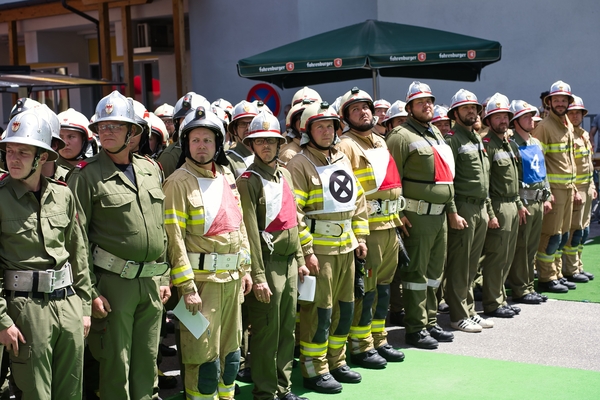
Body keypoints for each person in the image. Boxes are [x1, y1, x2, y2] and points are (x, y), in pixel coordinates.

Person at [68, 90, 170, 400]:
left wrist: (164, 277)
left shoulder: (152, 170)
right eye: (102, 126)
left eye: (115, 125)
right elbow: (76, 242)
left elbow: (160, 228)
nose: (107, 131)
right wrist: (90, 294)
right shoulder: (85, 177)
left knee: (147, 362)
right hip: (112, 286)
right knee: (116, 366)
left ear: (133, 132)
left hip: (151, 283)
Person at [0, 109, 92, 399]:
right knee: (36, 394)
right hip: (26, 311)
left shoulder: (63, 194)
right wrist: (3, 321)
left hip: (68, 305)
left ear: (42, 158)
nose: (12, 158)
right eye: (9, 151)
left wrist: (84, 308)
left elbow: (79, 254)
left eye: (23, 153)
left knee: (71, 392)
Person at [163, 106, 252, 400]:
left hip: (231, 280)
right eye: (196, 140)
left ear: (218, 144)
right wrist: (187, 288)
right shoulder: (178, 181)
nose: (202, 146)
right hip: (201, 287)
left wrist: (246, 269)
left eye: (208, 140)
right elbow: (173, 239)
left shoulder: (225, 175)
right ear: (186, 144)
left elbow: (238, 226)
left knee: (231, 354)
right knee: (202, 357)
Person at [287, 101, 369, 394]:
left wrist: (360, 237)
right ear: (307, 131)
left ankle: (337, 361)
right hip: (319, 253)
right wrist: (306, 252)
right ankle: (314, 369)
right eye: (319, 126)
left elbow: (357, 201)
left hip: (346, 247)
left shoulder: (342, 159)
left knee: (344, 309)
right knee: (318, 312)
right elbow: (294, 213)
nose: (326, 131)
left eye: (330, 126)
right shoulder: (298, 163)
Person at [237, 111, 309, 400]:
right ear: (252, 145)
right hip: (267, 265)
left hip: (290, 261)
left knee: (287, 331)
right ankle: (266, 392)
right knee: (267, 333)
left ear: (280, 144)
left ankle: (283, 387)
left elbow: (293, 219)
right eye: (259, 141)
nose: (266, 146)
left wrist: (302, 258)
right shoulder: (248, 180)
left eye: (271, 140)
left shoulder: (286, 174)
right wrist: (257, 276)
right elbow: (250, 233)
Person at [336, 87, 405, 367]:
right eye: (355, 109)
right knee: (368, 289)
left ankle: (380, 339)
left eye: (366, 107)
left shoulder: (381, 141)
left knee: (385, 287)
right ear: (346, 117)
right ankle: (361, 345)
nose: (363, 112)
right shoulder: (346, 145)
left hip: (390, 225)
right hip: (370, 231)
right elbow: (346, 193)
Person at [386, 81, 455, 349]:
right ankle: (415, 329)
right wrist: (398, 215)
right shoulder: (400, 136)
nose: (427, 105)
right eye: (420, 102)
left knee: (434, 273)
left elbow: (446, 176)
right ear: (410, 108)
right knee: (415, 274)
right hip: (417, 217)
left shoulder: (436, 132)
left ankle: (430, 321)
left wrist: (450, 209)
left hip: (439, 217)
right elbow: (393, 180)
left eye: (430, 101)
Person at [444, 89, 495, 332]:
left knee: (472, 265)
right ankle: (458, 315)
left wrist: (488, 210)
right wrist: (453, 211)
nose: (471, 111)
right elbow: (447, 180)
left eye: (474, 107)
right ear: (455, 113)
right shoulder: (453, 140)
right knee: (460, 265)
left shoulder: (476, 138)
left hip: (480, 206)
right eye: (465, 108)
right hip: (463, 206)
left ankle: (470, 310)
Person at [480, 93, 526, 318]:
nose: (503, 121)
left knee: (507, 255)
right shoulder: (487, 145)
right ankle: (492, 302)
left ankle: (501, 299)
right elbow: (485, 183)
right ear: (488, 120)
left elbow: (515, 178)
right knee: (496, 257)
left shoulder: (509, 144)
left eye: (505, 116)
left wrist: (518, 203)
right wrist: (490, 212)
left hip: (511, 204)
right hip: (497, 205)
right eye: (497, 117)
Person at [533, 81, 578, 293]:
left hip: (568, 188)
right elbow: (537, 163)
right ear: (548, 102)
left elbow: (568, 159)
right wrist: (546, 193)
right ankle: (546, 277)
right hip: (554, 191)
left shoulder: (566, 124)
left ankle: (557, 273)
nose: (560, 103)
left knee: (562, 235)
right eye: (556, 100)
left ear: (569, 102)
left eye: (564, 100)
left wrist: (575, 186)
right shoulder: (543, 127)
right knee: (550, 235)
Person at [507, 100, 551, 305]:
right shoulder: (511, 143)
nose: (531, 120)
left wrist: (548, 194)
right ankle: (520, 289)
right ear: (515, 121)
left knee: (531, 247)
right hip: (523, 202)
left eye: (532, 116)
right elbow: (511, 177)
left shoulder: (535, 143)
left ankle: (529, 287)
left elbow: (543, 172)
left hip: (538, 201)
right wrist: (518, 204)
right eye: (526, 117)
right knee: (521, 248)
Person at [563, 96, 596, 282]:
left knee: (583, 231)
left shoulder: (583, 134)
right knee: (573, 231)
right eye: (571, 112)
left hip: (587, 189)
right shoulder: (567, 134)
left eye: (578, 112)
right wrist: (574, 189)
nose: (575, 116)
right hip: (575, 191)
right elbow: (567, 166)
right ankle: (570, 269)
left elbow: (587, 164)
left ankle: (578, 265)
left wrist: (591, 186)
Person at [158, 92, 211, 178]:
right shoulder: (170, 157)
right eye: (185, 119)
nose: (189, 123)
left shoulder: (215, 150)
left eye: (193, 118)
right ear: (177, 124)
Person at [57, 108, 99, 172]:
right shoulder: (48, 171)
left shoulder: (97, 170)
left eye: (71, 137)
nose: (65, 143)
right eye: (60, 137)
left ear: (84, 139)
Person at [226, 101, 259, 177]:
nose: (248, 128)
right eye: (242, 124)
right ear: (234, 129)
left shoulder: (265, 154)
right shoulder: (229, 161)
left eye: (251, 123)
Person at [280, 99, 316, 164]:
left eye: (310, 120)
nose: (306, 124)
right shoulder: (290, 155)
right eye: (301, 119)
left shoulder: (316, 148)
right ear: (293, 125)